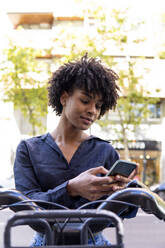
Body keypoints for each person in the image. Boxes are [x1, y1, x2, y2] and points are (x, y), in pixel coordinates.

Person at [14, 54, 137, 246]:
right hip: (45, 242)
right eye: (85, 100)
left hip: (93, 242)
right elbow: (25, 207)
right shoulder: (29, 149)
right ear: (64, 97)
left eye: (98, 106)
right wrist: (70, 188)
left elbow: (117, 214)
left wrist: (124, 194)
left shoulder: (105, 151)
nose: (92, 111)